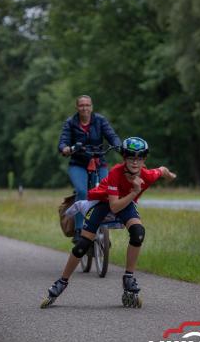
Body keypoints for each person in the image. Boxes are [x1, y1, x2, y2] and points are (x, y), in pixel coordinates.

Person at [41, 137, 176, 309]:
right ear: (124, 159)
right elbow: (114, 206)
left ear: (144, 160)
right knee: (82, 245)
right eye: (130, 158)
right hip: (104, 203)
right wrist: (135, 191)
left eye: (139, 158)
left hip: (126, 203)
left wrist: (170, 175)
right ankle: (62, 281)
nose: (135, 162)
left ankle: (128, 277)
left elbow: (162, 170)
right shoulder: (115, 173)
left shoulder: (147, 175)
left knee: (138, 233)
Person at [58, 95, 121, 243]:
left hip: (99, 162)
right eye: (81, 105)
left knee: (106, 191)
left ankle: (103, 229)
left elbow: (112, 136)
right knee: (82, 192)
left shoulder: (100, 120)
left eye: (87, 105)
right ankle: (79, 230)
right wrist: (66, 148)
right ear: (77, 108)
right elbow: (63, 142)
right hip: (78, 164)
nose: (84, 108)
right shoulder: (70, 123)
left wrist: (120, 146)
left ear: (91, 107)